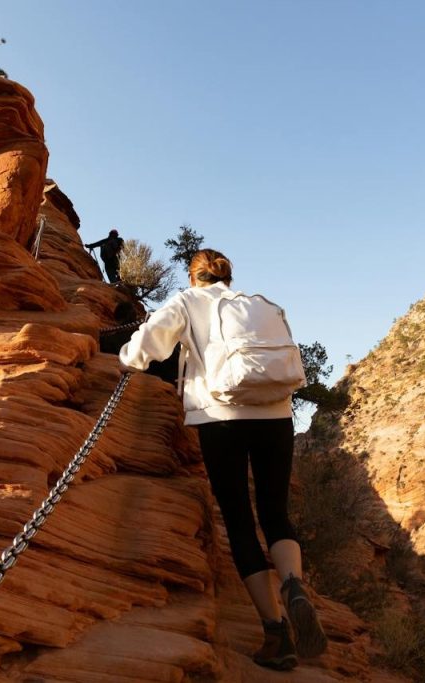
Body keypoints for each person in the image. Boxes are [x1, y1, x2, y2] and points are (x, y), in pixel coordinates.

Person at [118, 249, 327, 671]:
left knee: (237, 519)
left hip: (221, 418)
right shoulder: (259, 303)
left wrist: (126, 359)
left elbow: (148, 344)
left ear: (193, 277)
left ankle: (276, 632)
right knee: (274, 513)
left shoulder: (187, 300)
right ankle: (293, 584)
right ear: (228, 277)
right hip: (276, 415)